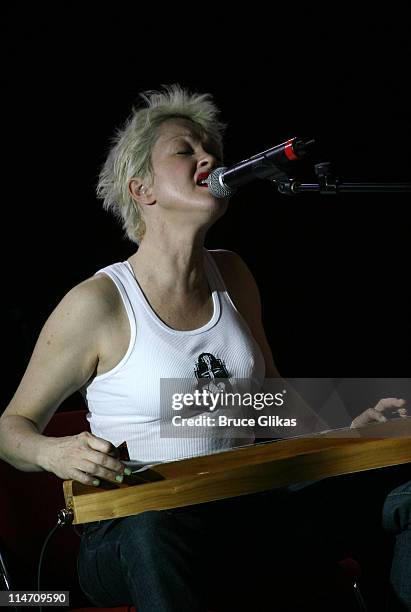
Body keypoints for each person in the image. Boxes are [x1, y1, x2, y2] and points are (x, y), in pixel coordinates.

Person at [0, 84, 409, 611]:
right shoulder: (97, 303)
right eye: (184, 150)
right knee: (156, 533)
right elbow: (11, 428)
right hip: (132, 532)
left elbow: (273, 398)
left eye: (210, 148)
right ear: (141, 189)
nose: (209, 158)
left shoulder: (233, 273)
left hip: (244, 508)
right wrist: (55, 451)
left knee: (402, 497)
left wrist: (347, 436)